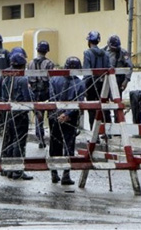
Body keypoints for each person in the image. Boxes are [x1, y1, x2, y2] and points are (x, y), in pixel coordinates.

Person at [49, 56, 85, 185]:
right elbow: (79, 100)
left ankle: (54, 172)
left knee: (54, 143)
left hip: (54, 116)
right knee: (68, 144)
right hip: (70, 118)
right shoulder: (80, 83)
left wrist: (58, 113)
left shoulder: (54, 79)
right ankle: (66, 174)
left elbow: (51, 97)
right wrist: (67, 114)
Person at [1, 53, 34, 180]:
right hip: (20, 113)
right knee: (19, 141)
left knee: (9, 140)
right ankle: (17, 170)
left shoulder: (6, 78)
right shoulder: (22, 79)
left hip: (8, 112)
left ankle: (7, 169)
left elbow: (3, 97)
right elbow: (27, 98)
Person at [28, 41, 55, 149]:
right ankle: (52, 136)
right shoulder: (49, 63)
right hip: (47, 91)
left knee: (38, 116)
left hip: (35, 92)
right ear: (47, 51)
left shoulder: (30, 63)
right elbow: (52, 80)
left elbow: (29, 79)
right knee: (51, 114)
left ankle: (40, 138)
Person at [83, 31, 111, 130]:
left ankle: (94, 134)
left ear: (89, 41)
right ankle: (107, 132)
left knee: (92, 109)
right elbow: (109, 69)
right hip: (104, 83)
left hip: (91, 84)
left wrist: (84, 88)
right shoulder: (106, 54)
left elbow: (87, 72)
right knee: (104, 107)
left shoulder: (87, 53)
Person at [104, 35, 133, 123]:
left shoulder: (123, 53)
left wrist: (126, 81)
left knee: (117, 104)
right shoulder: (103, 51)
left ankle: (118, 126)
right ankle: (107, 126)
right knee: (104, 104)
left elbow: (130, 67)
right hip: (105, 80)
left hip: (118, 81)